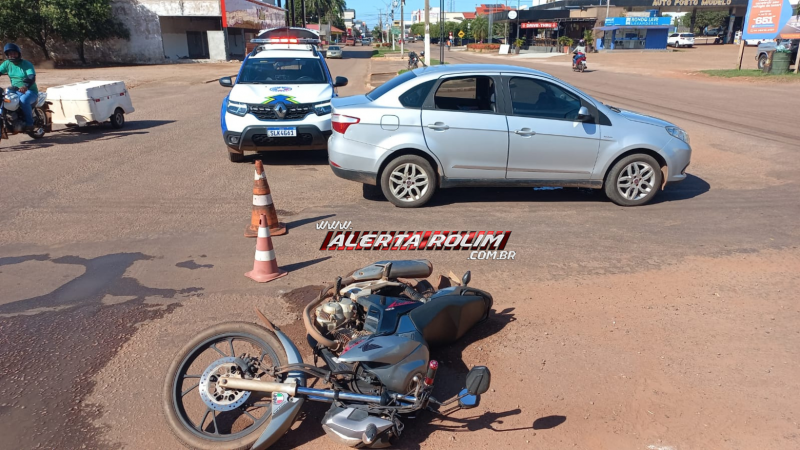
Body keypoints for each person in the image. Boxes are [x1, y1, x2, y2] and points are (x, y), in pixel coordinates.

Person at [0, 43, 38, 131]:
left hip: (29, 90)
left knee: (23, 100)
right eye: (10, 53)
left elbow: (31, 77)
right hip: (14, 89)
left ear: (18, 53)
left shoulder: (26, 64)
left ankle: (29, 124)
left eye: (14, 53)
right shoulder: (7, 64)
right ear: (7, 55)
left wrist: (26, 86)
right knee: (3, 100)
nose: (12, 55)